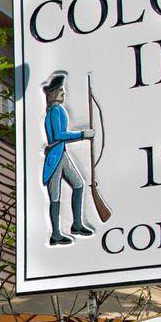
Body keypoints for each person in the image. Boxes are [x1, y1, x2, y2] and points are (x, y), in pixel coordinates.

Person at [40, 71, 94, 245]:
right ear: (54, 94)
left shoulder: (56, 110)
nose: (64, 93)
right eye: (61, 90)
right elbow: (59, 135)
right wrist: (82, 134)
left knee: (78, 184)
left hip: (61, 154)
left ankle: (76, 224)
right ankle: (56, 233)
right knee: (55, 196)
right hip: (55, 157)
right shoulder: (56, 110)